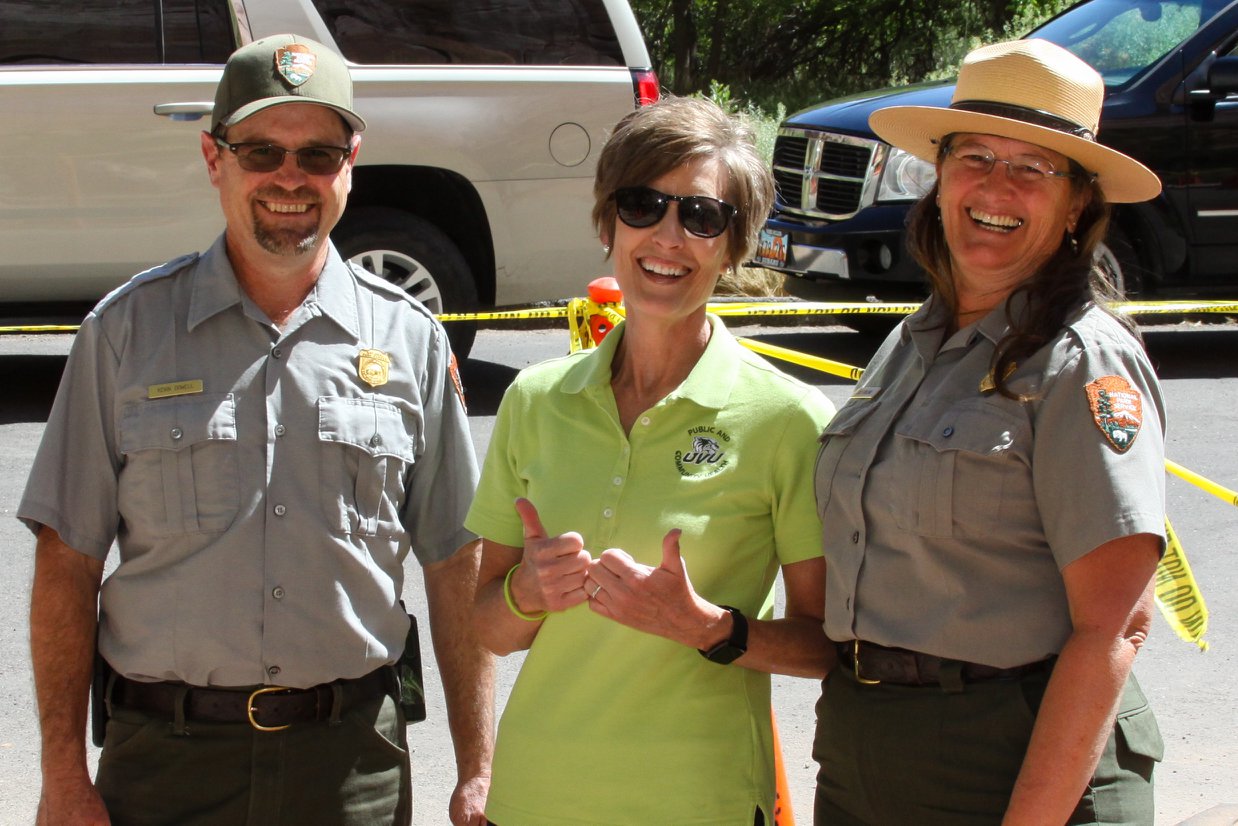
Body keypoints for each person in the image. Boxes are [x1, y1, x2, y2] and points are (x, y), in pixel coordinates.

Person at [20, 34, 493, 826]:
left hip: (352, 769)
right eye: (260, 150)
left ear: (351, 163)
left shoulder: (412, 341)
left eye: (317, 153)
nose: (290, 178)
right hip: (165, 766)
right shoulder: (125, 333)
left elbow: (456, 563)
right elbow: (66, 560)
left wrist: (478, 769)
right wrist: (64, 777)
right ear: (214, 158)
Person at [812, 39, 1167, 825]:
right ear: (939, 177)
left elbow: (1115, 625)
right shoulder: (912, 342)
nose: (996, 186)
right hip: (869, 751)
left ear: (1077, 203)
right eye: (975, 156)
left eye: (1033, 167)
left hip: (1020, 760)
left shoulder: (1083, 362)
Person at [465, 96, 836, 825]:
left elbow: (829, 649)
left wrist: (711, 628)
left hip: (704, 804)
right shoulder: (534, 400)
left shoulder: (790, 421)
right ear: (608, 223)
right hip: (533, 799)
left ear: (734, 246)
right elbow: (488, 630)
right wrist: (526, 596)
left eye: (701, 216)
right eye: (643, 205)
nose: (668, 236)